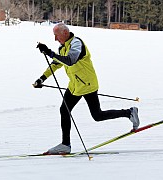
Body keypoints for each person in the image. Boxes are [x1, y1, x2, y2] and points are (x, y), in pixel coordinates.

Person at [34, 23, 139, 155]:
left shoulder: (77, 44)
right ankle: (65, 145)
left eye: (57, 36)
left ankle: (129, 113)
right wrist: (42, 78)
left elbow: (70, 60)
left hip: (87, 85)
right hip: (75, 85)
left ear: (65, 33)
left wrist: (49, 52)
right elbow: (56, 64)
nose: (55, 39)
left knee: (97, 115)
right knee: (64, 110)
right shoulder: (62, 48)